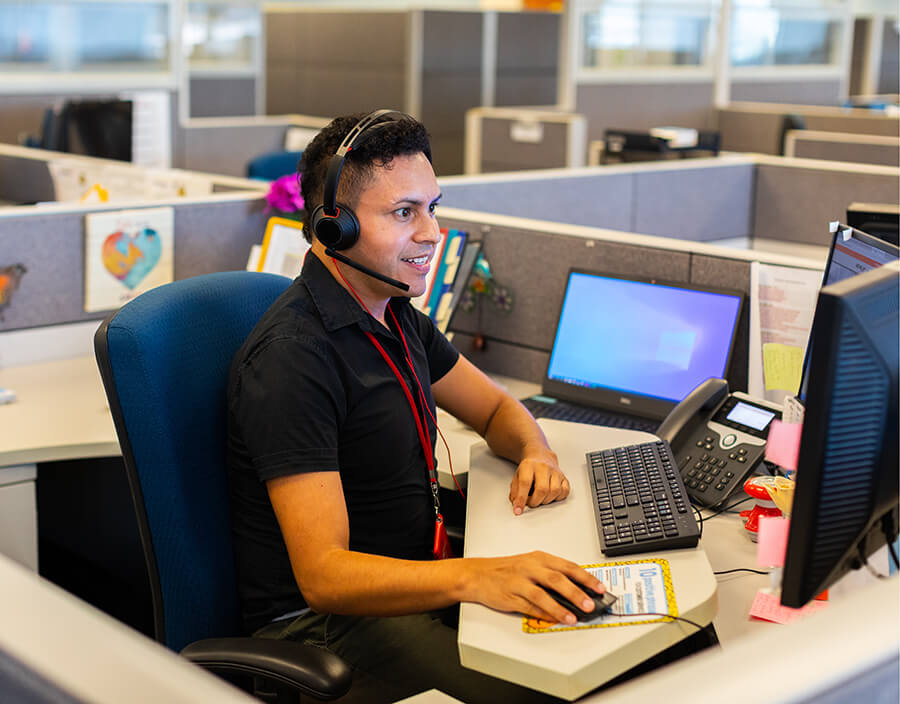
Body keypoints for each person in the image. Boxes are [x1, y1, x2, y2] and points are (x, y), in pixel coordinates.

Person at [226, 111, 606, 703]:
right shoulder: (294, 359)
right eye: (404, 213)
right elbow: (324, 576)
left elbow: (495, 410)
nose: (433, 233)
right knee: (553, 691)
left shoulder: (395, 315)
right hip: (327, 627)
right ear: (335, 227)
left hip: (422, 582)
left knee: (595, 649)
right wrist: (478, 576)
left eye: (433, 207)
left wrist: (536, 452)